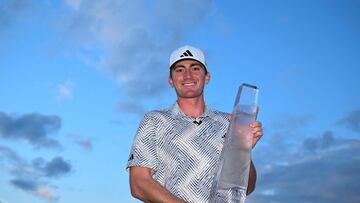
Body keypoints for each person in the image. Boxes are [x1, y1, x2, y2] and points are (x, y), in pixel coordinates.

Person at [126, 45, 263, 203]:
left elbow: (247, 188)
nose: (188, 76)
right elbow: (139, 184)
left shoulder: (229, 123)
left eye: (195, 68)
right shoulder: (155, 121)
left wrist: (242, 150)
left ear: (207, 77)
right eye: (180, 70)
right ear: (171, 80)